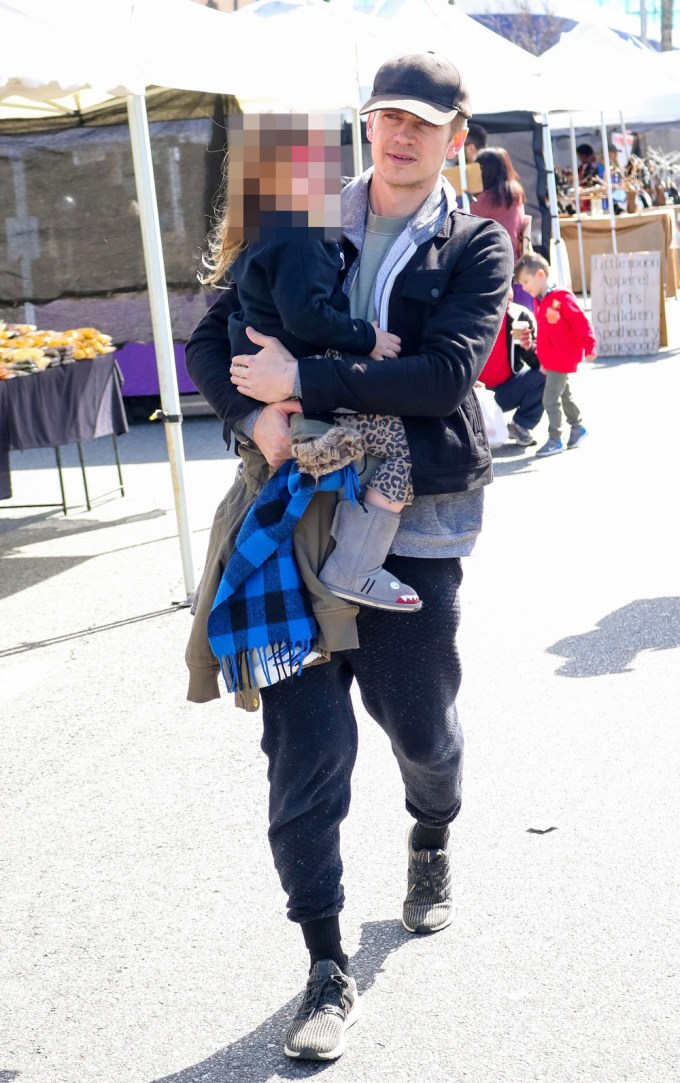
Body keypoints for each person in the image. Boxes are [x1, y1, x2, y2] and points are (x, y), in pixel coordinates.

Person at [186, 52, 513, 1061]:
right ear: (365, 124)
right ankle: (324, 964)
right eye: (385, 118)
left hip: (415, 524)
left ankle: (432, 826)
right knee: (305, 752)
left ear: (454, 134)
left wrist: (308, 369)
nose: (400, 135)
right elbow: (209, 338)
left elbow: (443, 374)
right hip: (292, 520)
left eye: (421, 121)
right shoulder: (302, 214)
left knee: (420, 727)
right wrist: (255, 411)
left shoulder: (473, 245)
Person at [203, 112, 421, 612]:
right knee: (402, 449)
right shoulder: (298, 231)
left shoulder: (267, 228)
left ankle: (321, 456)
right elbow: (307, 314)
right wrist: (367, 337)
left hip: (274, 376)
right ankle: (355, 565)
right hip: (295, 371)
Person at [514, 252, 597, 458]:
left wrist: (590, 345)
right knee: (564, 394)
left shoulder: (561, 297)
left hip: (563, 358)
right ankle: (578, 427)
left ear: (540, 274)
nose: (524, 288)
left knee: (550, 399)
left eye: (525, 282)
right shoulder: (541, 300)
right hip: (553, 360)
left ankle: (555, 438)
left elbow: (580, 322)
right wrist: (543, 360)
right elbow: (543, 336)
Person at [477, 290, 544, 446]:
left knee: (544, 373)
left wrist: (528, 348)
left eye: (509, 299)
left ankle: (520, 425)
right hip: (473, 393)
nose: (506, 303)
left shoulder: (519, 317)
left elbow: (538, 363)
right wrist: (470, 381)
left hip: (506, 390)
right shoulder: (472, 316)